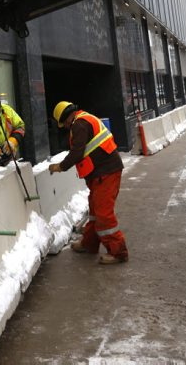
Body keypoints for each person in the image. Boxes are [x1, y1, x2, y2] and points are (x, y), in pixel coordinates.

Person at [49, 101, 128, 265]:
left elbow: (77, 153)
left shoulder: (79, 125)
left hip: (106, 173)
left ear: (65, 119)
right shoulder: (84, 119)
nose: (64, 127)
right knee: (94, 210)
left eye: (63, 124)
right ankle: (89, 243)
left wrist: (60, 166)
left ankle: (118, 252)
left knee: (104, 213)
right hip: (100, 173)